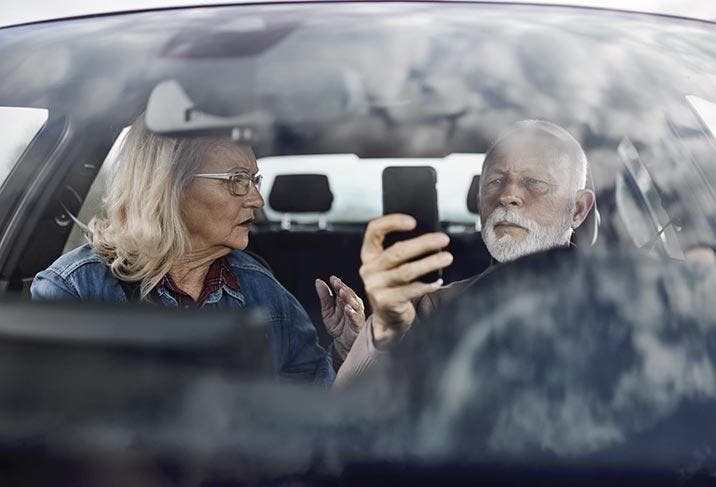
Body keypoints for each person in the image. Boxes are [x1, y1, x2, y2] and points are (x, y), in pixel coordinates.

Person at [31, 114, 364, 386]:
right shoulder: (74, 289)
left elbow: (310, 399)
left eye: (254, 180)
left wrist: (345, 349)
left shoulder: (260, 287)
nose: (257, 200)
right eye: (237, 180)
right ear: (169, 187)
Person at [335, 120, 595, 384]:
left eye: (534, 182)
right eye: (495, 181)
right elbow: (353, 414)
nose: (508, 195)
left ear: (577, 210)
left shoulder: (617, 300)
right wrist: (382, 334)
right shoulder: (432, 309)